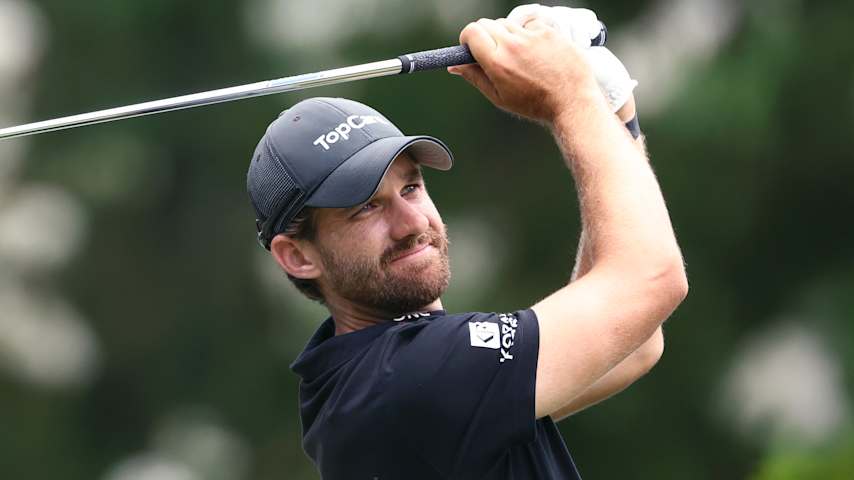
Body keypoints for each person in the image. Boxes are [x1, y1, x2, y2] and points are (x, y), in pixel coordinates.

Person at [245, 5, 687, 479]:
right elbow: (652, 280)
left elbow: (635, 339)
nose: (410, 221)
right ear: (297, 255)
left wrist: (611, 105)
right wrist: (570, 96)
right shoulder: (407, 378)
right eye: (366, 207)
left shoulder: (369, 379)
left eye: (411, 187)